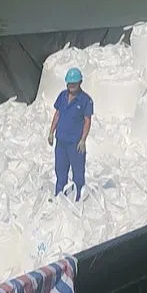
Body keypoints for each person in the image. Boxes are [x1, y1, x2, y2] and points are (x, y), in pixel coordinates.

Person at [48, 67, 94, 200]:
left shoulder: (85, 100)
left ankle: (79, 196)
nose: (71, 86)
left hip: (75, 144)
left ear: (80, 83)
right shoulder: (62, 96)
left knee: (78, 171)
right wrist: (51, 132)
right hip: (61, 142)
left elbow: (87, 121)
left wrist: (83, 140)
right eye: (69, 84)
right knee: (60, 170)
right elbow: (57, 114)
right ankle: (59, 195)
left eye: (74, 84)